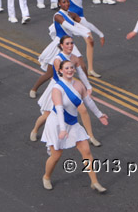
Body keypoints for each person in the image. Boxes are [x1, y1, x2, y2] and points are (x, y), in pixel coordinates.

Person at [41, 60, 108, 192]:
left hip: (72, 123)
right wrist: (62, 129)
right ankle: (47, 177)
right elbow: (59, 109)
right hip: (56, 124)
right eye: (66, 68)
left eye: (72, 67)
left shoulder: (79, 85)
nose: (70, 70)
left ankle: (94, 182)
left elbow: (88, 101)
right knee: (56, 156)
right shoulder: (57, 88)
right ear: (60, 71)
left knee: (87, 151)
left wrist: (100, 115)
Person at [31, 36, 106, 148]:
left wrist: (88, 86)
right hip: (58, 88)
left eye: (71, 43)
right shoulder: (57, 59)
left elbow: (80, 73)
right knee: (48, 114)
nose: (70, 46)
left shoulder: (74, 58)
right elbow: (62, 78)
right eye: (67, 44)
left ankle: (91, 136)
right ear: (61, 45)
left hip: (71, 85)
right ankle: (35, 130)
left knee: (83, 110)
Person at [61, 0, 127, 77]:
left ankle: (90, 69)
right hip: (68, 17)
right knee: (64, 43)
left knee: (89, 40)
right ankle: (62, 65)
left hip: (80, 16)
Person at [35, 0, 92, 96]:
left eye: (68, 2)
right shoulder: (57, 16)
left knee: (81, 64)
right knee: (50, 73)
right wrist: (84, 35)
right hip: (59, 44)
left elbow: (84, 24)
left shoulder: (71, 14)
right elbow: (69, 26)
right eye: (64, 2)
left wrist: (98, 33)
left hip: (69, 43)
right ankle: (34, 89)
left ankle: (86, 88)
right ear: (59, 4)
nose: (66, 4)